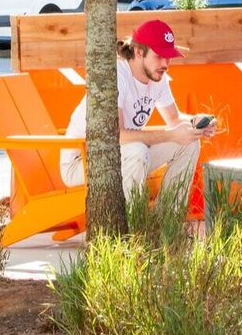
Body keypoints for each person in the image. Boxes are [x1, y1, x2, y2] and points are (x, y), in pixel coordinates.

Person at [62, 18, 217, 216]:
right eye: (159, 56)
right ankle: (134, 226)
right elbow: (117, 136)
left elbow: (175, 120)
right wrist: (171, 134)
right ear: (138, 52)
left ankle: (166, 220)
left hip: (123, 155)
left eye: (168, 57)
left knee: (189, 143)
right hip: (83, 161)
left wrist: (196, 122)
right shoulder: (116, 75)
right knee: (136, 150)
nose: (165, 64)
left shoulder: (157, 77)